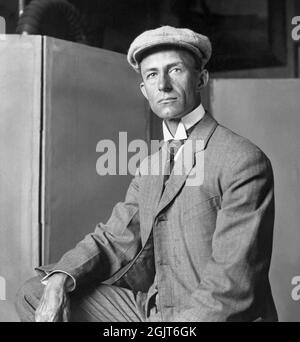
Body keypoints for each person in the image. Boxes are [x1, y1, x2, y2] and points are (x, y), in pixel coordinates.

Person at [15, 26, 278, 322]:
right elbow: (114, 239)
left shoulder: (241, 159)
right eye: (152, 75)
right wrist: (61, 278)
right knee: (36, 294)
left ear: (201, 79)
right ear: (144, 90)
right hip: (155, 313)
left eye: (175, 70)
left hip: (211, 316)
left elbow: (232, 287)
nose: (163, 84)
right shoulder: (151, 165)